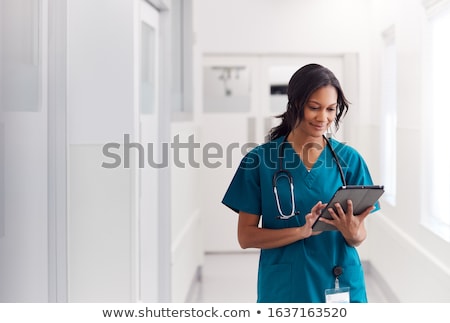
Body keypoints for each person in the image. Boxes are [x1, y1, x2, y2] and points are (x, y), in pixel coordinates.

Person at [221, 63, 379, 303]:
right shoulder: (259, 161)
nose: (323, 118)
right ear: (294, 104)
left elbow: (358, 235)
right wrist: (301, 232)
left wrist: (353, 232)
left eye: (330, 109)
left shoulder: (349, 160)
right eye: (314, 107)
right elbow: (246, 237)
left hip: (339, 280)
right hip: (286, 287)